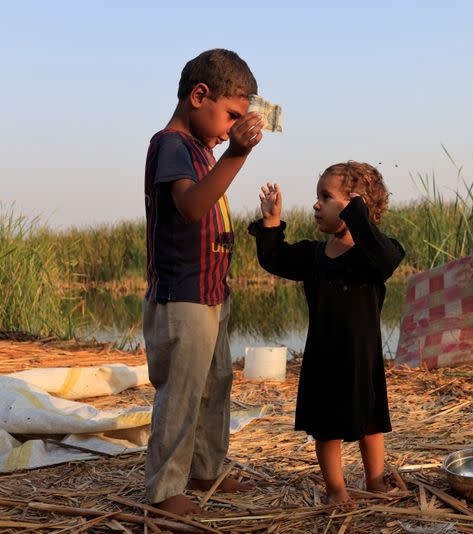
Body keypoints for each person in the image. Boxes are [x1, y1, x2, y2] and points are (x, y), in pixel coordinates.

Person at [142, 48, 265, 516]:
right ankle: (164, 490)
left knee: (216, 382)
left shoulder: (201, 150)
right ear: (199, 96)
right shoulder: (172, 146)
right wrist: (237, 154)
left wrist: (226, 151)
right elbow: (192, 208)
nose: (231, 128)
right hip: (182, 295)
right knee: (182, 391)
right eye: (230, 115)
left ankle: (207, 467)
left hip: (210, 292)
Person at [248, 162, 404, 505]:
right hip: (323, 357)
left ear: (354, 205)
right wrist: (271, 223)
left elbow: (386, 259)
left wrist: (357, 214)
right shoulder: (314, 255)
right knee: (326, 429)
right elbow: (275, 259)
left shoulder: (372, 255)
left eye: (325, 197)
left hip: (362, 358)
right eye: (317, 196)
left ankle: (375, 480)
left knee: (371, 421)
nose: (316, 204)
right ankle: (336, 490)